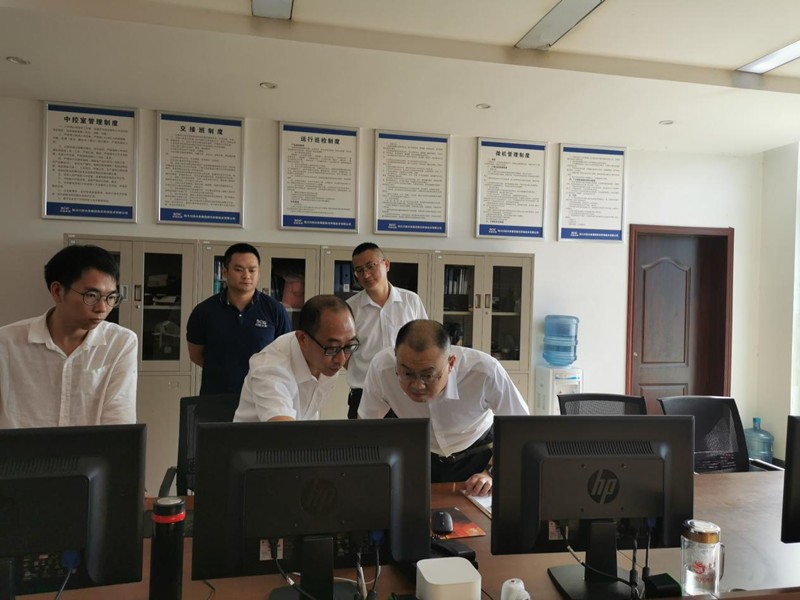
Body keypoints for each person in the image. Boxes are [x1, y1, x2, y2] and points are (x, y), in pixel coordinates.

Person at [359, 319, 529, 496]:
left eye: (428, 375)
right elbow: (365, 429)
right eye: (407, 373)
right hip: (419, 455)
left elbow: (520, 428)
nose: (417, 385)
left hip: (477, 458)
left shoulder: (485, 371)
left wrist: (491, 472)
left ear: (451, 364)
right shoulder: (381, 368)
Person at [0, 244, 138, 428]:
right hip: (19, 448)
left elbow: (120, 416)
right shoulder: (6, 342)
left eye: (110, 297)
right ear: (57, 291)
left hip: (91, 448)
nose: (102, 308)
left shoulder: (120, 342)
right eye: (91, 295)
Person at [187, 243, 292, 395]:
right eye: (238, 269)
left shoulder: (275, 310)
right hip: (216, 397)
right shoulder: (204, 311)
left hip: (262, 395)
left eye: (252, 270)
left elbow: (286, 353)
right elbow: (196, 355)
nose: (246, 276)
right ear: (225, 272)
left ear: (259, 273)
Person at [234, 295, 358, 422]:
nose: (341, 360)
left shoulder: (326, 359)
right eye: (333, 348)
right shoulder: (270, 369)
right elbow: (285, 430)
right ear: (302, 339)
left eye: (349, 346)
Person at [346, 242, 427, 419]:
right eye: (359, 270)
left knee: (409, 437)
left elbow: (425, 343)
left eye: (371, 266)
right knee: (361, 438)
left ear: (386, 264)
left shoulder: (410, 301)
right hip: (364, 393)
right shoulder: (350, 308)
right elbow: (344, 353)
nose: (366, 274)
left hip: (406, 393)